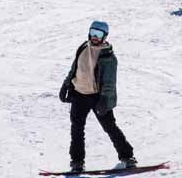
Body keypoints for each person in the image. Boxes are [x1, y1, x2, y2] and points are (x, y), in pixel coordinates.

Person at [59, 21, 137, 173]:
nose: (95, 37)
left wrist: (104, 100)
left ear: (104, 36)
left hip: (97, 97)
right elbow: (75, 68)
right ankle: (77, 162)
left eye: (99, 34)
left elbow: (109, 83)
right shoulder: (83, 47)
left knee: (110, 127)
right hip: (79, 95)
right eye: (93, 32)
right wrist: (66, 85)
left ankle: (127, 156)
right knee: (76, 129)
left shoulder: (108, 56)